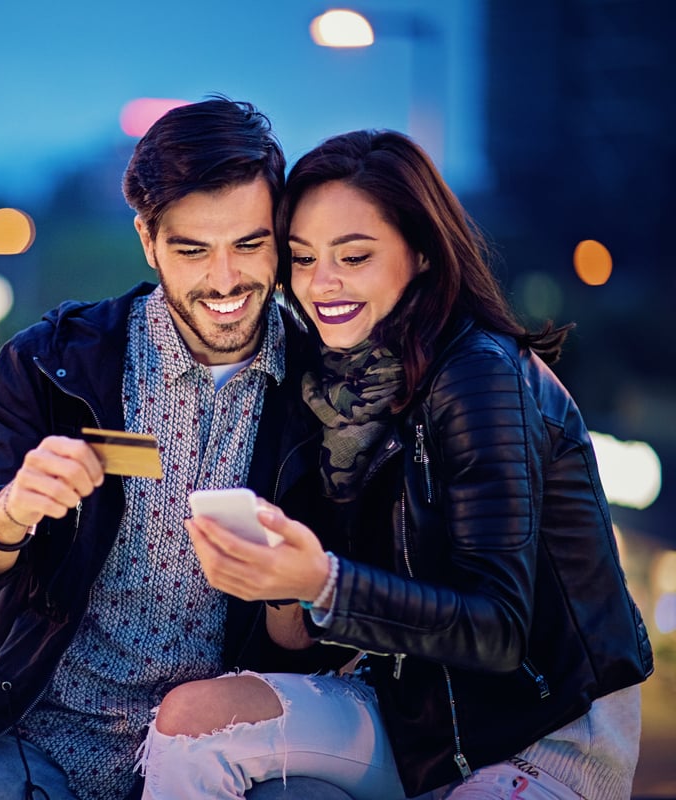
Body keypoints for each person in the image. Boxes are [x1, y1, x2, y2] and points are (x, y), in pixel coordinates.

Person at [0, 96, 355, 800]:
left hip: (231, 754)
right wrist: (8, 515)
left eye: (249, 244)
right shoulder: (53, 363)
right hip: (40, 738)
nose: (225, 280)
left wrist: (290, 593)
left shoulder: (329, 389)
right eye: (192, 249)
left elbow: (338, 631)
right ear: (149, 241)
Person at [137, 129, 654, 800]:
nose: (323, 284)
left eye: (353, 257)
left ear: (421, 254)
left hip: (542, 729)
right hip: (417, 718)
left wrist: (322, 581)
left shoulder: (479, 377)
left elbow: (498, 630)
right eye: (301, 258)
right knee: (191, 721)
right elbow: (320, 633)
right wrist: (277, 583)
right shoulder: (331, 387)